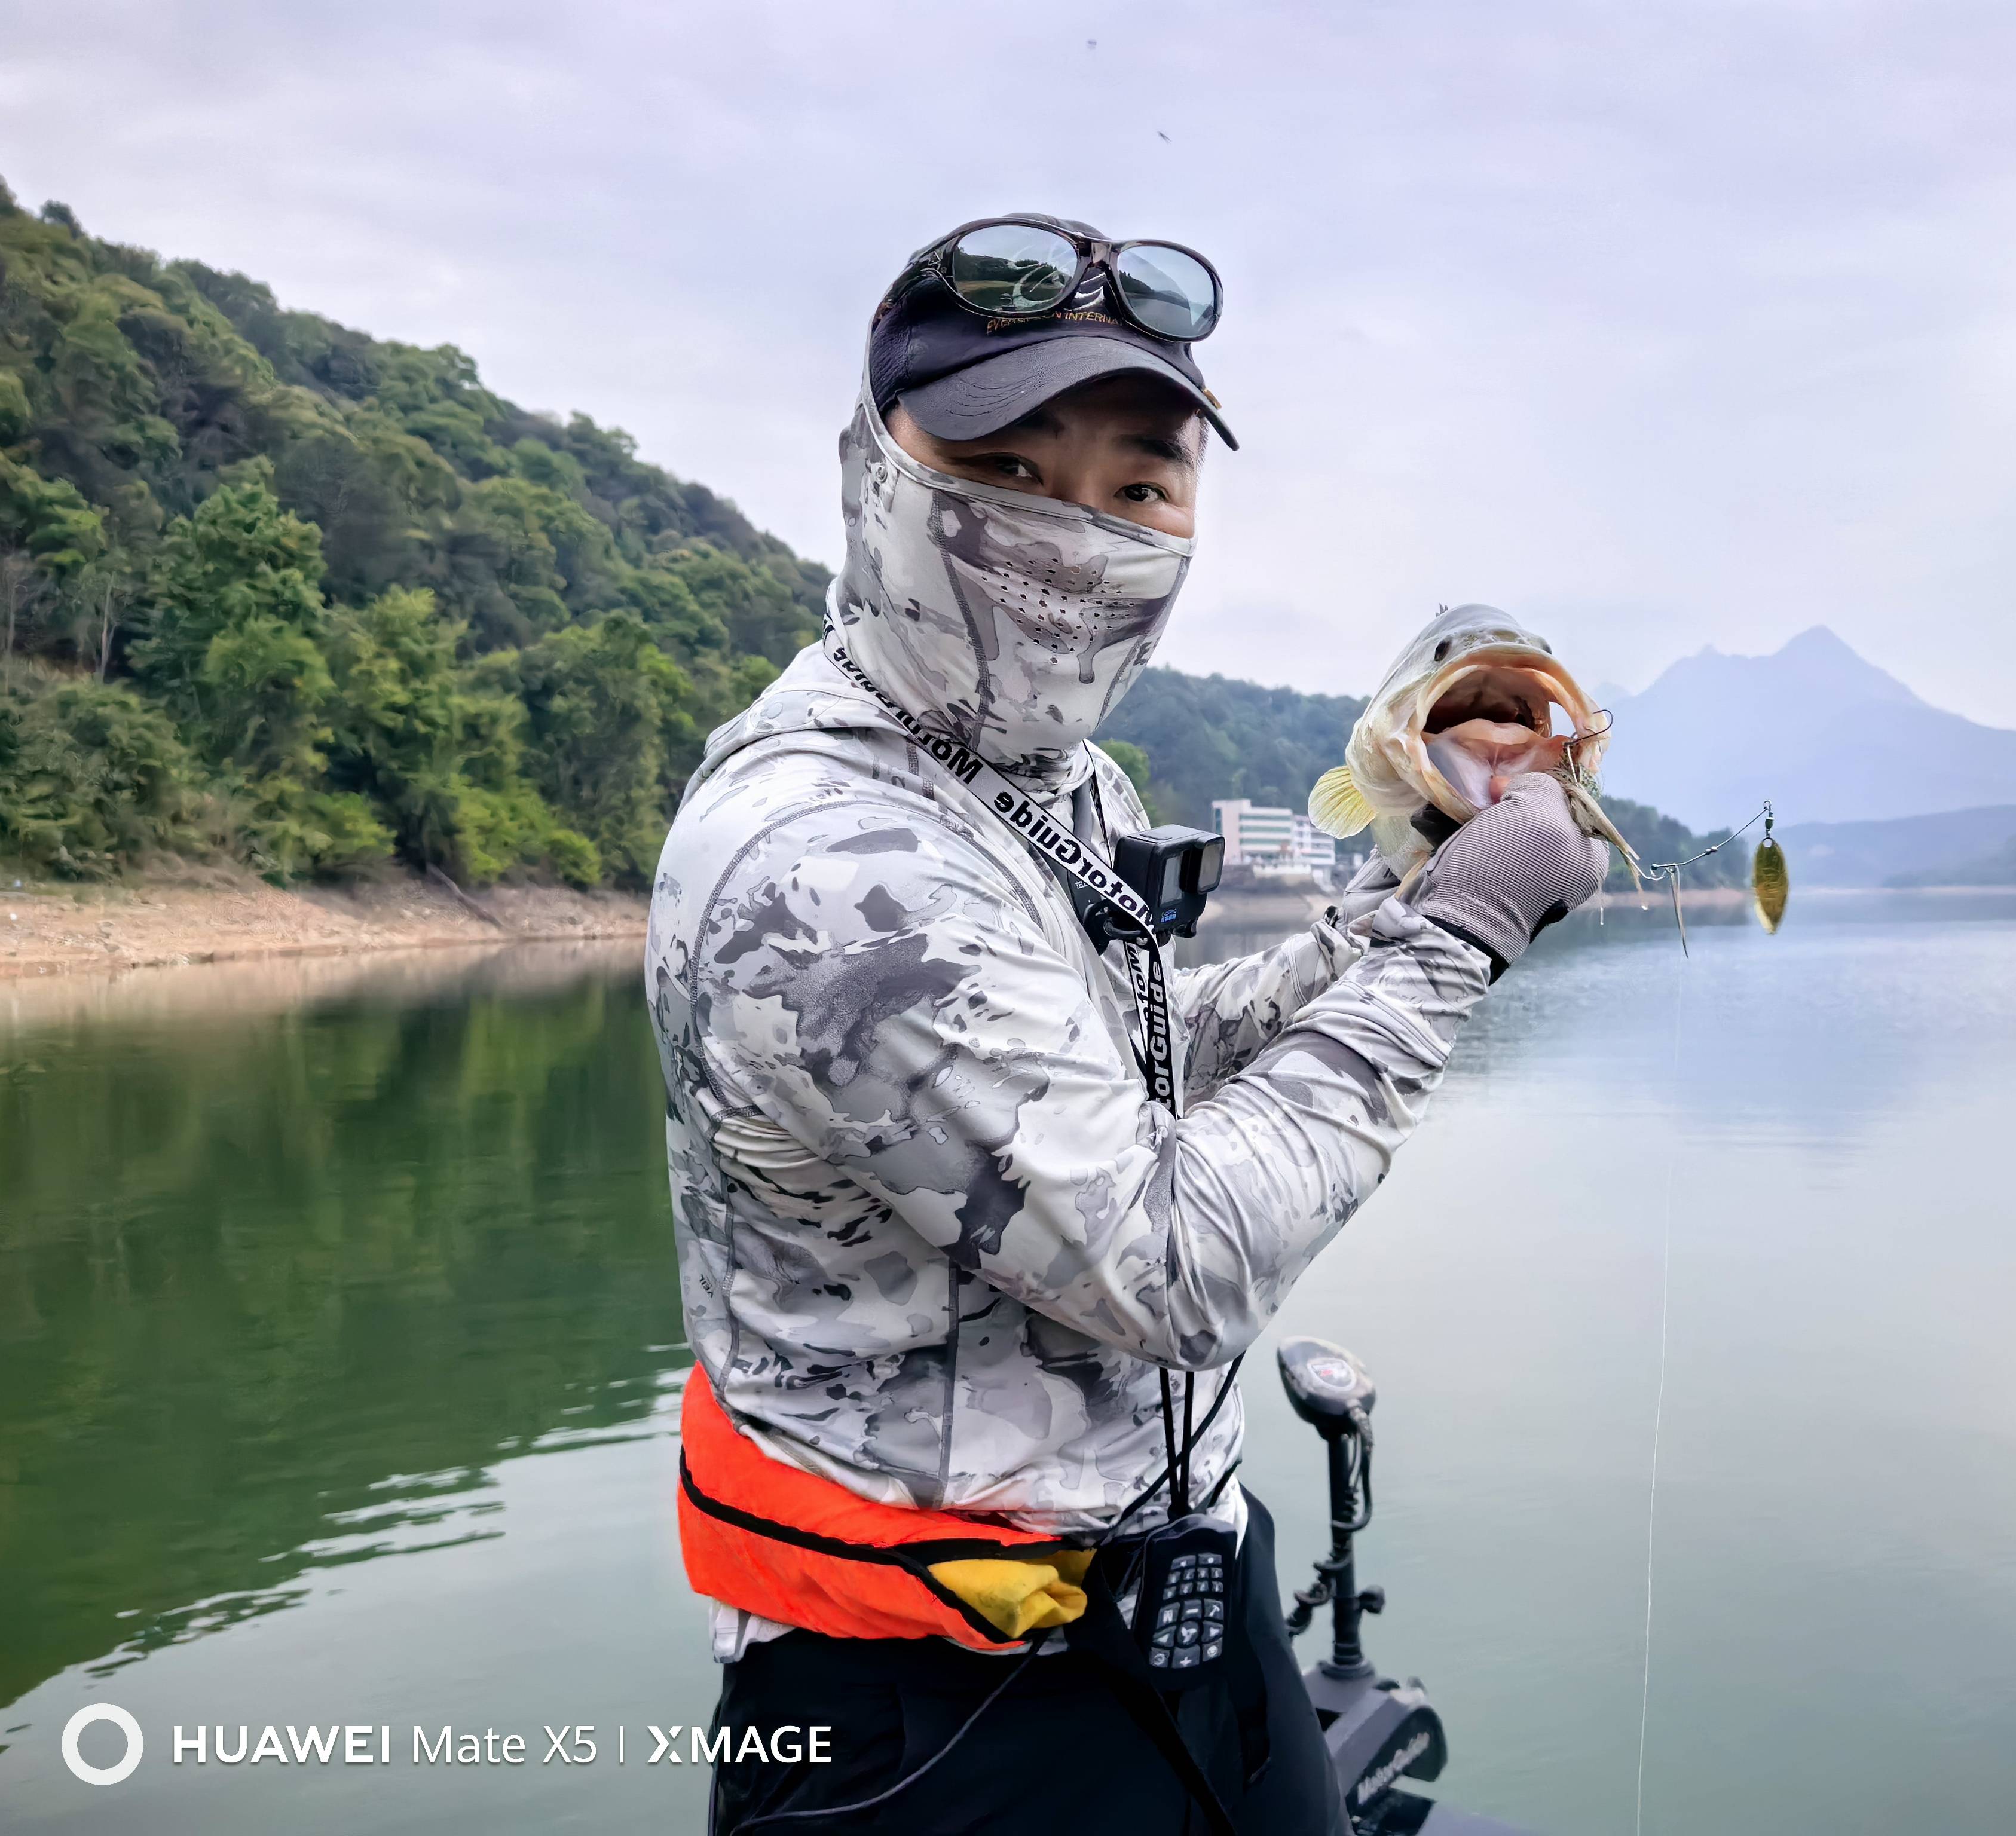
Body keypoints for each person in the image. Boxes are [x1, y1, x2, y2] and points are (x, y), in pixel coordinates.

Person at [645, 213, 1609, 1835]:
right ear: (873, 472)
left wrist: (1403, 896)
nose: (1080, 533)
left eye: (1139, 490)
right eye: (1009, 472)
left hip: (1189, 1610)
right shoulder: (829, 857)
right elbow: (1168, 1260)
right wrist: (1465, 933)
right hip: (934, 1712)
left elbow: (1143, 1081)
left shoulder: (1052, 788)